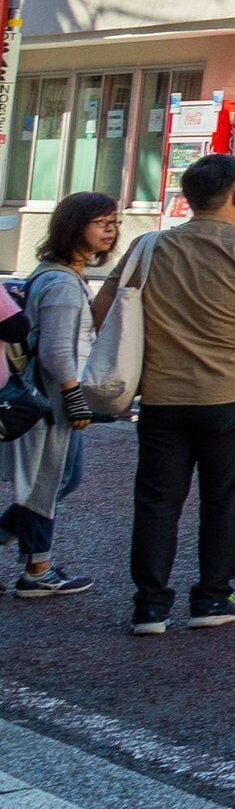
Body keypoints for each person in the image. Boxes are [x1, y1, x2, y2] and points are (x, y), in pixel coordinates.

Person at [125, 153, 235, 634]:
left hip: (161, 394)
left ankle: (150, 606)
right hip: (232, 391)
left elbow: (104, 307)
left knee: (157, 501)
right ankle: (212, 598)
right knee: (223, 498)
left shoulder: (150, 247)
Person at [7, 192, 120, 599]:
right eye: (102, 223)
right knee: (48, 483)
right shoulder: (61, 283)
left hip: (48, 397)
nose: (112, 231)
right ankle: (37, 570)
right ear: (74, 227)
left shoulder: (56, 275)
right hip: (50, 401)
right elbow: (56, 349)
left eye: (115, 222)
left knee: (59, 480)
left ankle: (34, 562)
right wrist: (73, 396)